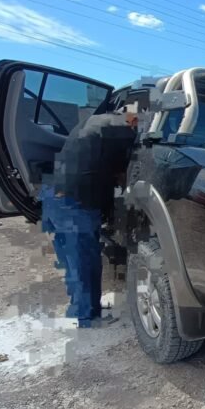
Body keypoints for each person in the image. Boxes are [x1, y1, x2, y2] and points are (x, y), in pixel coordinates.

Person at [40, 112, 136, 327]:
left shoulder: (94, 121)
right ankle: (87, 318)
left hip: (52, 194)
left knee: (72, 262)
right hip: (74, 204)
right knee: (85, 263)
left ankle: (81, 309)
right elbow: (124, 174)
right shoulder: (125, 133)